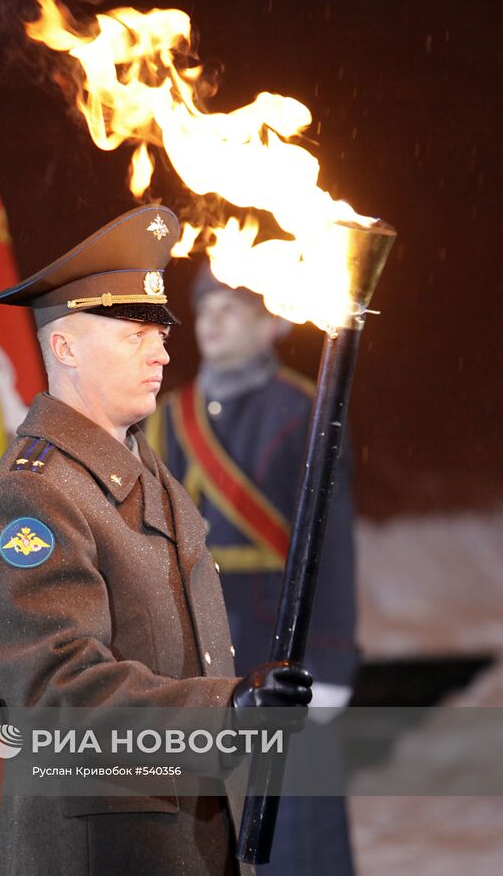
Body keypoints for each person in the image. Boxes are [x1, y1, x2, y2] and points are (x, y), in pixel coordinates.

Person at [0, 205, 312, 876]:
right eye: (133, 335)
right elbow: (60, 693)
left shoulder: (141, 469)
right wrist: (227, 708)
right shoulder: (30, 498)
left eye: (160, 331)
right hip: (102, 850)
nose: (163, 350)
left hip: (180, 837)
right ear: (64, 348)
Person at [146, 263, 358, 876]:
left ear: (270, 324)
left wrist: (331, 660)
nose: (210, 320)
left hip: (279, 645)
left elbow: (331, 548)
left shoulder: (304, 414)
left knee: (299, 835)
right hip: (195, 657)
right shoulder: (164, 417)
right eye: (204, 308)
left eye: (230, 309)